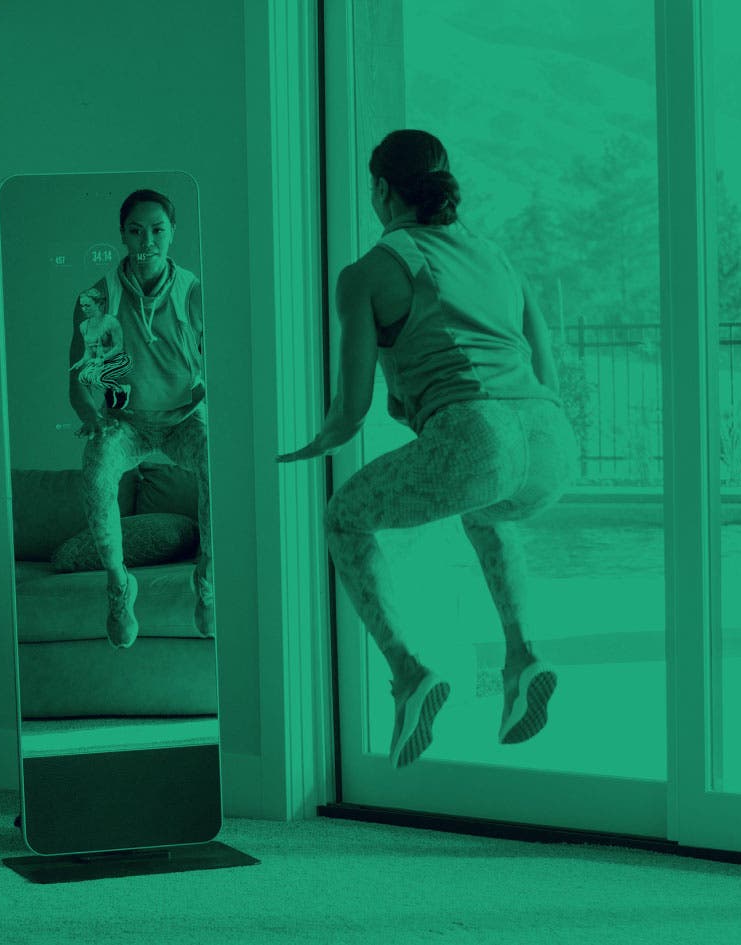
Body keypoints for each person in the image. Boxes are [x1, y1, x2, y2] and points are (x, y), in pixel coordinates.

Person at [278, 129, 575, 769]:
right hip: (552, 445)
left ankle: (409, 673)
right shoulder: (497, 257)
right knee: (486, 508)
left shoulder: (367, 273)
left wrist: (304, 447)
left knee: (343, 518)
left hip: (480, 436)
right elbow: (546, 377)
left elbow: (349, 411)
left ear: (382, 191)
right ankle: (521, 656)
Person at [68, 189, 213, 647]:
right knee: (94, 471)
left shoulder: (194, 294)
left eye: (157, 230)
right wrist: (92, 416)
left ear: (172, 233)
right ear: (122, 235)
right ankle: (118, 585)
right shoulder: (96, 299)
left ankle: (207, 578)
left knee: (218, 463)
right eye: (136, 230)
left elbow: (223, 369)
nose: (146, 239)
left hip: (182, 421)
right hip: (126, 424)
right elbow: (79, 382)